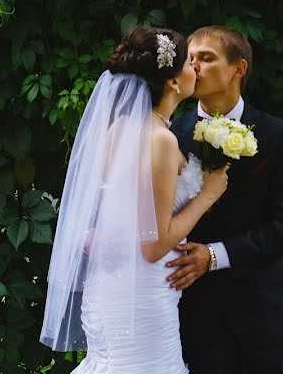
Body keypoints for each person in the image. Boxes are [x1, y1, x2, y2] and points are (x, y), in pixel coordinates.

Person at [40, 26, 230, 373]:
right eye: (190, 62)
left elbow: (116, 218)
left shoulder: (119, 130)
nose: (196, 70)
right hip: (141, 297)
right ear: (173, 82)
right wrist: (208, 195)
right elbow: (152, 244)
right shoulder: (161, 140)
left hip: (110, 287)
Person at [168, 25, 283, 374]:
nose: (195, 66)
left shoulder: (279, 135)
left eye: (207, 58)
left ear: (238, 68)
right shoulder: (168, 135)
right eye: (190, 58)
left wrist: (214, 256)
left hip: (263, 314)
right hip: (194, 316)